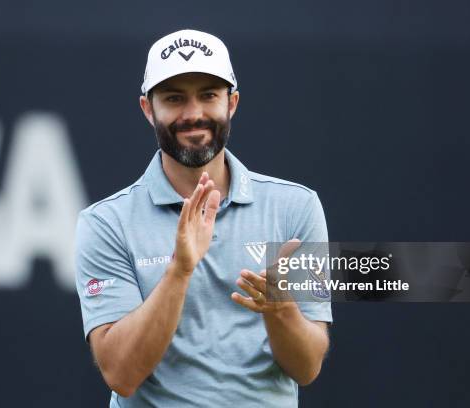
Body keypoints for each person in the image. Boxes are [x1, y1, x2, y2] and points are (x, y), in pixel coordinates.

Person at [75, 29, 332, 407]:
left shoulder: (296, 206)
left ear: (232, 103)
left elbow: (307, 368)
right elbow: (121, 374)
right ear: (148, 109)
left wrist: (281, 311)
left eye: (208, 95)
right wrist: (179, 271)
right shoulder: (106, 222)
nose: (193, 114)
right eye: (175, 98)